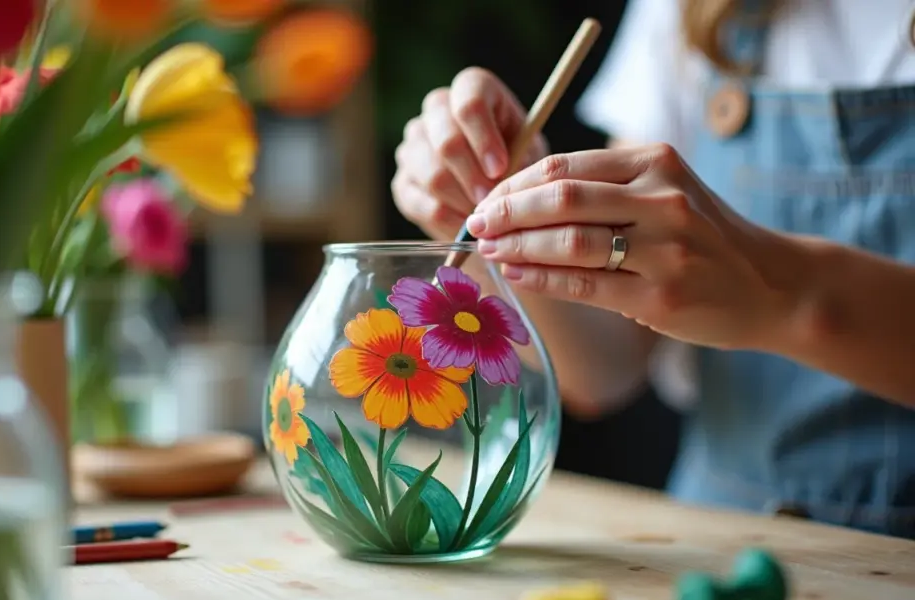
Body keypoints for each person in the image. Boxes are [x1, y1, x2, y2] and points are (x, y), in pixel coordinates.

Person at [390, 0, 915, 539]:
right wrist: (499, 219)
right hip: (715, 540)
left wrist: (785, 294)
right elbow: (603, 369)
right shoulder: (699, 10)